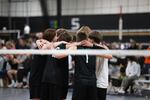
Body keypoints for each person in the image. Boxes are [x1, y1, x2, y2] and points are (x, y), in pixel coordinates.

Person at [39, 30, 72, 100]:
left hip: (46, 78)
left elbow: (40, 44)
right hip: (57, 80)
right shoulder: (66, 47)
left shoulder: (50, 46)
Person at [71, 31, 105, 100]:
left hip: (80, 81)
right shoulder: (94, 48)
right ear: (86, 39)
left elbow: (72, 61)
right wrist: (93, 46)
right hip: (92, 81)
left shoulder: (75, 48)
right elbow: (106, 52)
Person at [29, 29, 57, 100]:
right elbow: (42, 52)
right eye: (56, 36)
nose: (57, 37)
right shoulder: (42, 45)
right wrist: (39, 41)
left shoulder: (47, 45)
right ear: (52, 37)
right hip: (36, 78)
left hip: (43, 78)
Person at [88, 31, 112, 100]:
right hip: (95, 81)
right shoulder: (103, 47)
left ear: (92, 40)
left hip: (100, 82)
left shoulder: (102, 48)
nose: (87, 40)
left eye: (88, 38)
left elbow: (110, 56)